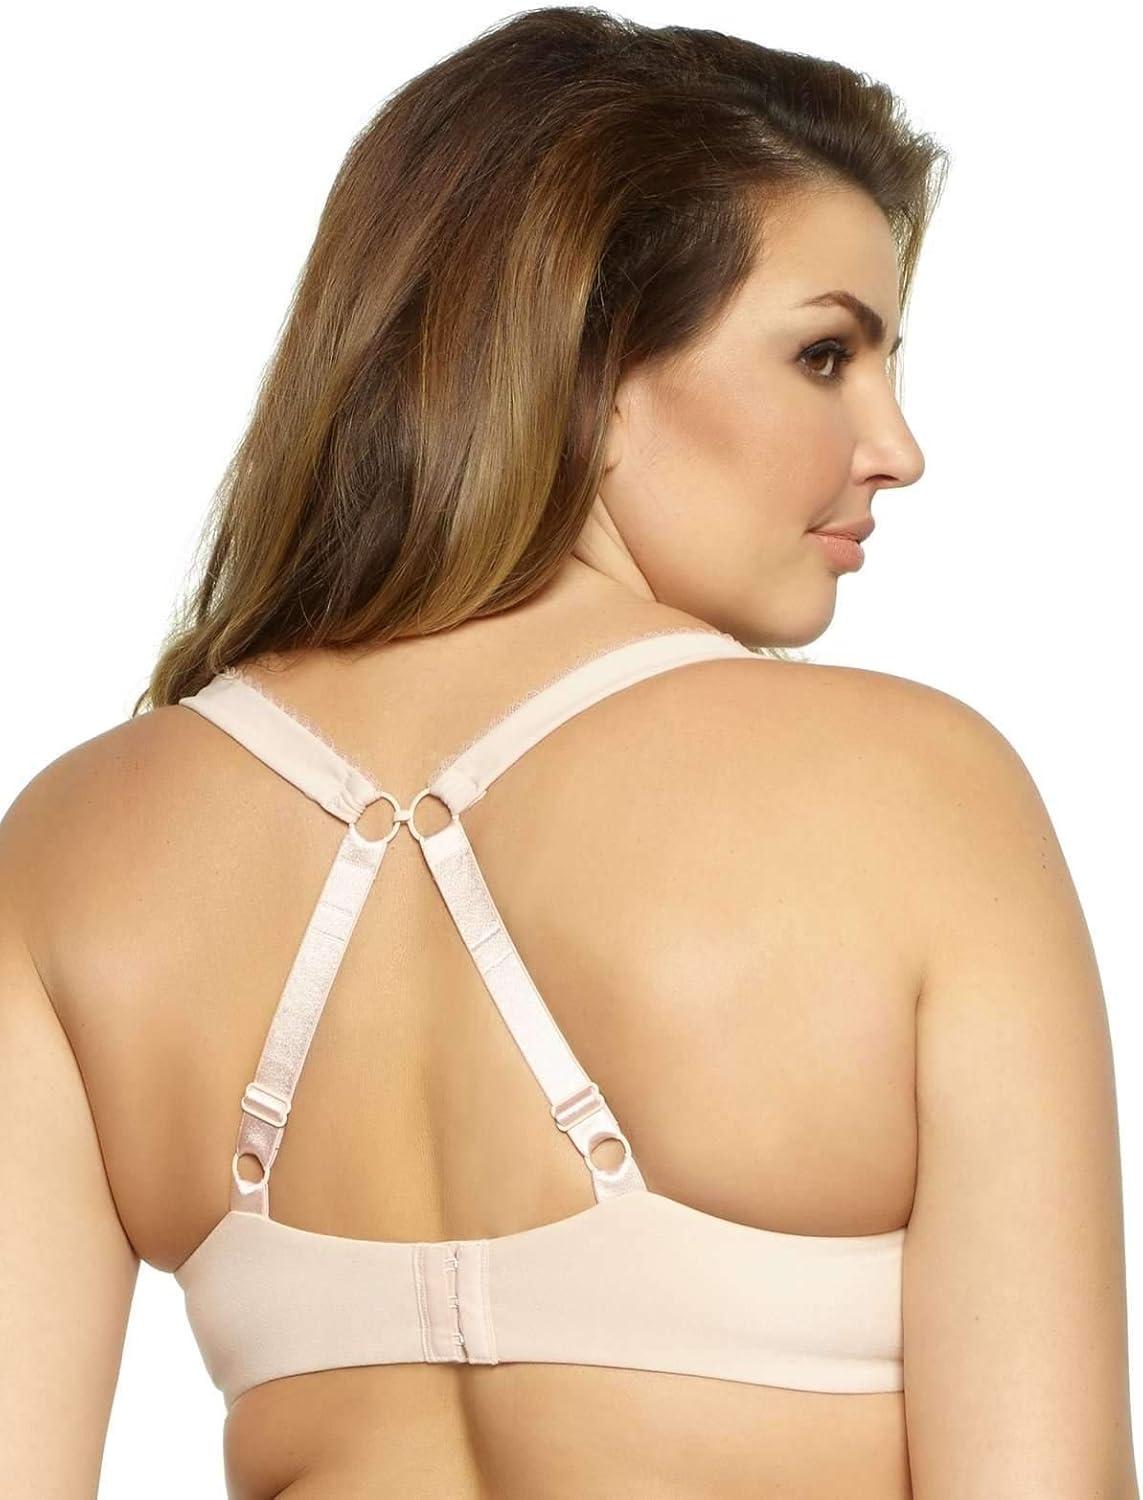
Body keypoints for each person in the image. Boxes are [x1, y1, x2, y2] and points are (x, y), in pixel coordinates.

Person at [1, 8, 1137, 1497]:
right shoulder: (921, 794)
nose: (896, 447)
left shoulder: (78, 845)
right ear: (591, 365)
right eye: (825, 355)